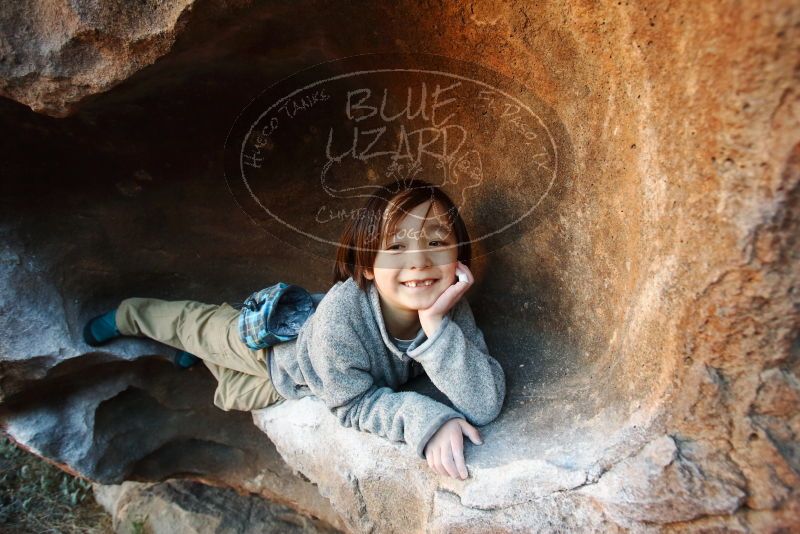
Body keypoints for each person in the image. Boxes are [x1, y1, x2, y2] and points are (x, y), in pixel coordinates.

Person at [83, 178, 506, 480]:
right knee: (195, 325)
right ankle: (130, 314)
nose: (419, 263)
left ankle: (197, 356)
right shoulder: (342, 317)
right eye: (395, 248)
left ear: (460, 259)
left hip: (297, 381)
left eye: (436, 243)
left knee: (231, 393)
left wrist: (436, 327)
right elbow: (353, 405)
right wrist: (426, 421)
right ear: (366, 267)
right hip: (272, 346)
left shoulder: (447, 310)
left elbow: (484, 404)